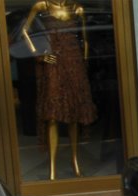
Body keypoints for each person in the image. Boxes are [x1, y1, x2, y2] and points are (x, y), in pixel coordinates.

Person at [21, 0, 97, 180]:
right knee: (53, 115)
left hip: (74, 63)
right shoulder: (43, 6)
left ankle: (75, 161)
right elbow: (24, 31)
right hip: (53, 63)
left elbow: (85, 39)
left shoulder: (76, 9)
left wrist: (84, 64)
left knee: (74, 114)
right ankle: (52, 168)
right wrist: (39, 54)